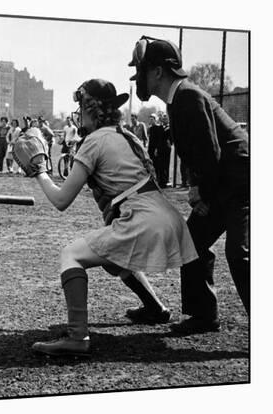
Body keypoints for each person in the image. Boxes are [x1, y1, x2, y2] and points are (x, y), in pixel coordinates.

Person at [21, 79, 197, 357]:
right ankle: (154, 308)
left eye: (81, 106)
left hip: (144, 217)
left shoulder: (92, 141)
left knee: (71, 255)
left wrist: (39, 170)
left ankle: (78, 338)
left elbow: (61, 200)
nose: (79, 112)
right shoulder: (125, 134)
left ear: (91, 110)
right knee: (111, 256)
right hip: (165, 215)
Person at [128, 36, 249, 333]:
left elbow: (211, 153)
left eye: (142, 72)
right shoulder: (176, 99)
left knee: (239, 252)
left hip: (241, 181)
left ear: (158, 71)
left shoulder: (188, 96)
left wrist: (202, 193)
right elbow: (198, 154)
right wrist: (200, 189)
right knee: (191, 242)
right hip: (222, 180)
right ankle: (204, 316)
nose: (138, 79)